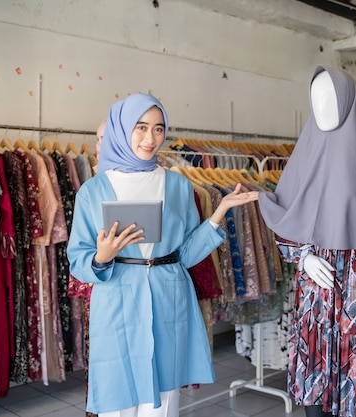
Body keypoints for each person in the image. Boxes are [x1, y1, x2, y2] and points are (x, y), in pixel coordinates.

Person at [66, 93, 259, 417]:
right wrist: (101, 256)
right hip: (117, 298)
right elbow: (78, 260)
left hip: (169, 296)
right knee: (119, 400)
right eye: (141, 127)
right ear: (122, 128)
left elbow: (183, 254)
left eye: (158, 128)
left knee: (165, 401)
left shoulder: (177, 186)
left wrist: (218, 213)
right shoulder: (94, 190)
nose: (150, 138)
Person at [258, 65, 356, 417]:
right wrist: (302, 256)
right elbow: (287, 212)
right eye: (315, 97)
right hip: (316, 285)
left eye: (329, 96)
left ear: (349, 99)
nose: (321, 105)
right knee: (315, 390)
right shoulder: (306, 152)